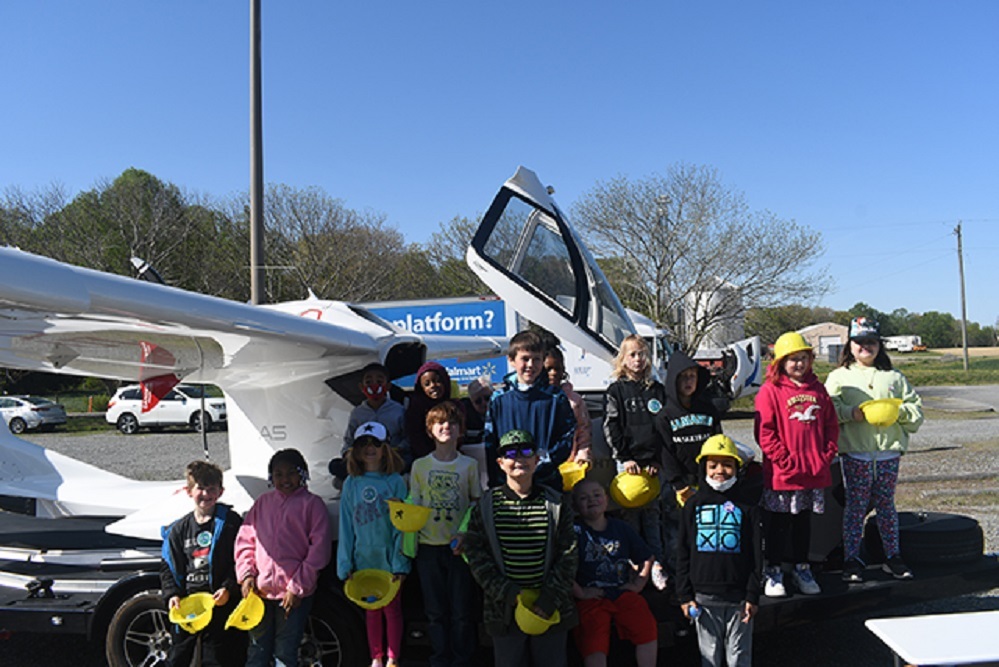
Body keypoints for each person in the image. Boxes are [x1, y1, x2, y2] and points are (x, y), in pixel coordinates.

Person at [464, 429, 578, 667]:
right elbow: (475, 553)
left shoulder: (555, 503)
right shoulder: (486, 505)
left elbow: (569, 554)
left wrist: (548, 599)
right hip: (504, 609)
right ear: (500, 463)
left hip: (550, 608)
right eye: (510, 453)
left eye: (526, 451)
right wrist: (508, 593)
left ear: (537, 459)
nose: (519, 458)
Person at [825, 317, 924, 583]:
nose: (865, 347)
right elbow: (827, 410)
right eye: (859, 342)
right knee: (855, 507)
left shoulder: (894, 377)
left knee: (886, 505)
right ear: (850, 345)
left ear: (879, 345)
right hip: (855, 452)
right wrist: (850, 413)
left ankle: (892, 556)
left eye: (871, 342)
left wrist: (898, 412)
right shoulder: (839, 377)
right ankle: (851, 558)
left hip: (888, 453)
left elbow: (915, 409)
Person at [754, 332, 838, 597]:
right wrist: (785, 460)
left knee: (804, 523)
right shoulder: (770, 391)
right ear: (780, 363)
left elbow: (830, 426)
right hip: (783, 474)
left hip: (812, 473)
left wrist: (826, 455)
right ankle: (774, 569)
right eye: (792, 360)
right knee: (778, 524)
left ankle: (802, 567)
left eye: (802, 358)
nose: (798, 365)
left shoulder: (818, 389)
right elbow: (765, 433)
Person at [235, 448, 332, 667]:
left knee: (285, 653)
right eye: (278, 474)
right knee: (257, 650)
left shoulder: (312, 504)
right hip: (259, 594)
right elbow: (245, 541)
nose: (285, 479)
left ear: (303, 474)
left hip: (292, 596)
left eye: (291, 473)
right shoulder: (262, 503)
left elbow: (319, 551)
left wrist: (297, 586)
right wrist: (247, 574)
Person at [676, 435, 762, 667]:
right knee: (709, 657)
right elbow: (683, 551)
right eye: (713, 465)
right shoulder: (692, 505)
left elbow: (756, 555)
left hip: (739, 598)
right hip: (703, 597)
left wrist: (752, 594)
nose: (719, 471)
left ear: (737, 468)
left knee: (739, 657)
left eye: (727, 465)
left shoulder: (748, 507)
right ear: (703, 467)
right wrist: (684, 595)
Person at [409, 401, 482, 667]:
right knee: (435, 611)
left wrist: (464, 534)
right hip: (428, 546)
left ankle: (462, 659)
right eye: (439, 423)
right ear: (430, 431)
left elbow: (475, 503)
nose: (445, 427)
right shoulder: (420, 466)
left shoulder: (469, 465)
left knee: (462, 610)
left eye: (451, 422)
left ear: (460, 430)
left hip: (459, 548)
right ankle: (440, 658)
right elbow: (413, 503)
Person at [337, 421, 410, 667]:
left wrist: (400, 562)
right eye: (363, 444)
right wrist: (345, 562)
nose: (369, 449)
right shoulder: (351, 483)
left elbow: (403, 526)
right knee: (372, 610)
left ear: (385, 448)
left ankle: (392, 657)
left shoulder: (396, 481)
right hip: (363, 559)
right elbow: (346, 527)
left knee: (392, 609)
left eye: (375, 444)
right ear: (355, 451)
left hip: (389, 558)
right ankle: (376, 657)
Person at [160, 460, 245, 667]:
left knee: (216, 659)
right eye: (200, 488)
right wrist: (172, 595)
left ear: (221, 491)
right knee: (177, 657)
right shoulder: (178, 530)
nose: (206, 494)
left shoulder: (231, 523)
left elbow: (241, 559)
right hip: (188, 605)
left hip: (218, 603)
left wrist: (228, 587)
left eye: (211, 489)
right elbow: (167, 567)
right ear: (189, 491)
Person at [603, 334, 668, 589]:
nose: (638, 359)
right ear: (623, 359)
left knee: (653, 515)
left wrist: (658, 459)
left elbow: (664, 427)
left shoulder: (656, 389)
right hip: (628, 463)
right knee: (629, 517)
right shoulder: (616, 390)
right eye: (632, 354)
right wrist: (624, 457)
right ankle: (634, 566)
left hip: (652, 464)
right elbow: (611, 426)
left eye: (642, 353)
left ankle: (658, 565)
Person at [571, 479, 657, 667]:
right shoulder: (574, 532)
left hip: (621, 591)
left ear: (607, 500)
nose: (591, 500)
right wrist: (579, 592)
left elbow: (646, 557)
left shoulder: (621, 528)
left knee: (646, 627)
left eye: (596, 495)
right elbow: (561, 566)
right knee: (593, 639)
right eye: (584, 498)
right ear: (575, 506)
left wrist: (639, 583)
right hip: (590, 597)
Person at [483, 330, 576, 488]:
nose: (531, 365)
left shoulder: (555, 398)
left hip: (546, 480)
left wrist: (543, 463)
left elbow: (566, 436)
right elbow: (490, 443)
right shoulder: (499, 399)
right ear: (511, 360)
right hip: (508, 483)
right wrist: (498, 478)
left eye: (536, 359)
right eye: (525, 359)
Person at [657, 350, 724, 507]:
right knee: (679, 527)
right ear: (674, 379)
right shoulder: (665, 416)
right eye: (683, 377)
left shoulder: (709, 410)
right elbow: (666, 453)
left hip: (708, 479)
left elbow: (718, 441)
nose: (689, 381)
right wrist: (678, 484)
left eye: (692, 376)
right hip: (679, 484)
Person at [331, 362, 409, 486]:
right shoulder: (357, 413)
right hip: (365, 459)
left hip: (390, 459)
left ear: (388, 386)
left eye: (379, 381)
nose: (374, 385)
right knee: (335, 466)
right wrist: (348, 453)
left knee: (409, 462)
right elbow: (349, 440)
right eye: (368, 382)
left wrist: (399, 449)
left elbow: (408, 438)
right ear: (361, 387)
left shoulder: (398, 410)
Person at [543, 346, 593, 465]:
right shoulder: (534, 400)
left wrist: (582, 455)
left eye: (557, 369)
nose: (553, 373)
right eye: (548, 369)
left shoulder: (575, 401)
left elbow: (584, 431)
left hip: (571, 464)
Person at [406, 361, 455, 461]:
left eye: (437, 381)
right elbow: (415, 437)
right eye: (427, 384)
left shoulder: (455, 407)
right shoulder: (415, 410)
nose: (433, 386)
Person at [459, 376, 492, 445]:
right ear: (471, 402)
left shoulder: (503, 412)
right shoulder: (464, 416)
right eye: (478, 401)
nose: (484, 403)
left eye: (487, 398)